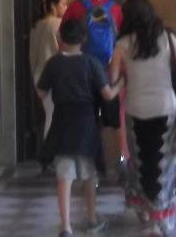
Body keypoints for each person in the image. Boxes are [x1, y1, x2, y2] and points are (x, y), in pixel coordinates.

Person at [109, 0, 176, 235]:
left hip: (136, 110)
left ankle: (147, 214)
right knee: (166, 164)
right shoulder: (168, 38)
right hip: (166, 108)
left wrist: (127, 79)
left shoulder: (123, 44)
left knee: (143, 163)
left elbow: (113, 78)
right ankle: (164, 217)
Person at [38, 18, 122, 237]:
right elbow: (107, 95)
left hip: (62, 122)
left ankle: (66, 225)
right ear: (84, 39)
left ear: (60, 38)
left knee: (64, 176)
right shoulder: (91, 63)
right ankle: (92, 218)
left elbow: (41, 92)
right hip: (86, 122)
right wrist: (121, 83)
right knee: (89, 174)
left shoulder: (54, 63)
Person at [63, 0, 125, 176]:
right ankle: (117, 160)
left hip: (83, 70)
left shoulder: (77, 6)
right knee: (112, 119)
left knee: (86, 117)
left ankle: (89, 164)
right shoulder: (116, 9)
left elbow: (64, 37)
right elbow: (121, 40)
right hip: (109, 70)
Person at [30, 0, 69, 140]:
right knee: (56, 116)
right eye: (64, 4)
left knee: (50, 114)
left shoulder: (36, 26)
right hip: (55, 75)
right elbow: (62, 50)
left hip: (39, 74)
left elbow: (32, 55)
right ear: (53, 6)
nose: (66, 7)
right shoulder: (58, 24)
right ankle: (53, 149)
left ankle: (49, 148)